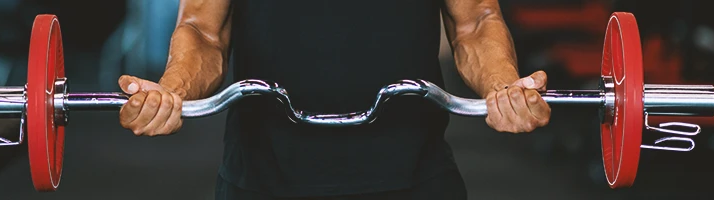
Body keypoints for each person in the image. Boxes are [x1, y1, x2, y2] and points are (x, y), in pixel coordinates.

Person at [117, 0, 551, 199]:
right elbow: (203, 29)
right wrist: (173, 91)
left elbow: (476, 20)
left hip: (412, 175)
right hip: (265, 176)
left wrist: (503, 86)